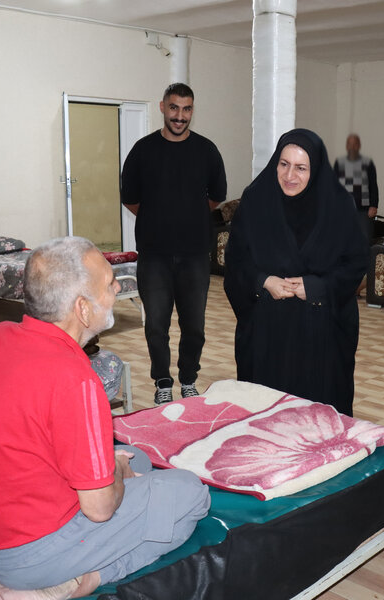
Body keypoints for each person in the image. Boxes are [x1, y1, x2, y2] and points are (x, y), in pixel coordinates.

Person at [0, 237, 210, 600]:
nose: (118, 288)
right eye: (109, 283)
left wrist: (118, 468)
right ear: (82, 309)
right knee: (190, 493)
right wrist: (116, 474)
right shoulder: (74, 379)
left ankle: (36, 571)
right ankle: (75, 582)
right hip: (28, 555)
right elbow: (99, 510)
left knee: (139, 460)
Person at [223, 129, 368, 416]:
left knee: (316, 417)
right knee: (266, 415)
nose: (290, 175)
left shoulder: (338, 205)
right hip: (268, 331)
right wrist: (263, 280)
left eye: (301, 168)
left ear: (315, 169)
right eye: (284, 164)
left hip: (320, 334)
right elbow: (236, 260)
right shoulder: (255, 201)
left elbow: (355, 264)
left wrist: (316, 287)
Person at [121, 82, 227, 405]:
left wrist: (188, 215)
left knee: (194, 326)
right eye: (174, 108)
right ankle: (163, 383)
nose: (180, 116)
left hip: (195, 255)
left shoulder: (206, 150)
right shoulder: (143, 150)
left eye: (187, 109)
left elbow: (216, 197)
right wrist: (159, 217)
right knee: (156, 324)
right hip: (154, 256)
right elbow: (131, 199)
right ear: (162, 107)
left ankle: (189, 379)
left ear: (192, 110)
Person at [333, 133, 380, 240]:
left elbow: (373, 185)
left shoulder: (368, 163)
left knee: (364, 239)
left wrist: (374, 205)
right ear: (346, 146)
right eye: (349, 144)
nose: (352, 147)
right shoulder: (339, 163)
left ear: (359, 146)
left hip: (363, 210)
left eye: (355, 144)